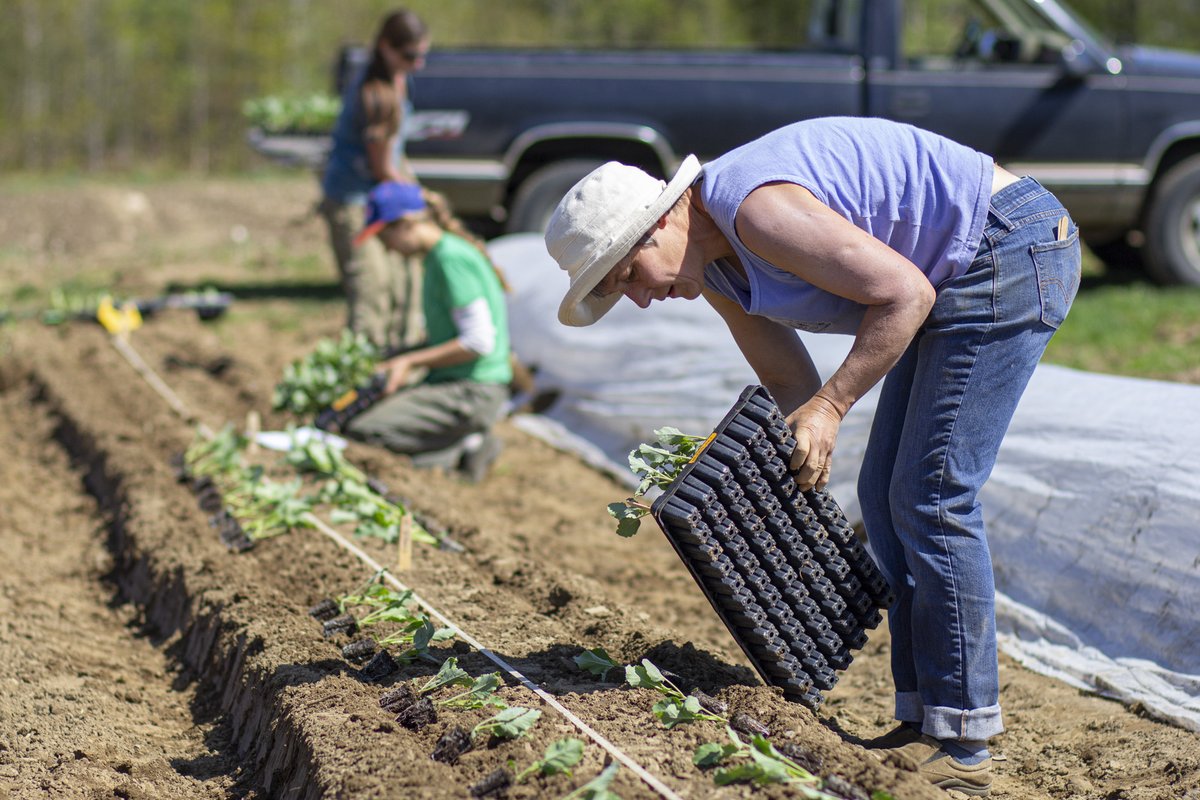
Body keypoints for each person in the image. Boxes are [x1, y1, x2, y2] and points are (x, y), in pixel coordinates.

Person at [543, 116, 1081, 797]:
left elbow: (905, 295)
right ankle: (924, 722)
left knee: (932, 497)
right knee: (888, 499)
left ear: (658, 225)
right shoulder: (716, 271)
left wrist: (831, 410)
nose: (642, 298)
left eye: (630, 276)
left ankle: (966, 738)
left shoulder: (754, 210)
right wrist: (775, 452)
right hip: (964, 267)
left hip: (1007, 245)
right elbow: (793, 383)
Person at [345, 181, 513, 482]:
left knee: (366, 431)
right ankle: (460, 444)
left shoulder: (450, 258)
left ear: (407, 224)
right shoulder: (440, 256)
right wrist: (400, 355)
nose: (385, 247)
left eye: (384, 236)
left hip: (472, 390)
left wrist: (410, 362)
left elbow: (478, 341)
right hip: (461, 385)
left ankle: (461, 450)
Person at [319, 9, 430, 352]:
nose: (418, 64)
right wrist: (418, 197)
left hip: (382, 194)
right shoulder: (376, 94)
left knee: (404, 284)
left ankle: (400, 358)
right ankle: (363, 371)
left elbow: (395, 154)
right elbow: (382, 166)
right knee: (372, 288)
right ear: (385, 47)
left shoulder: (400, 80)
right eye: (410, 56)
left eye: (422, 55)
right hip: (354, 200)